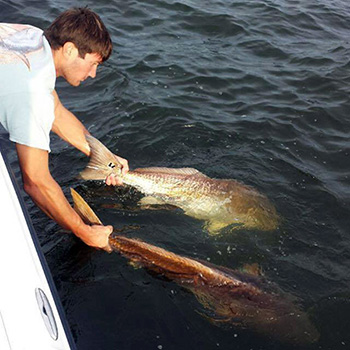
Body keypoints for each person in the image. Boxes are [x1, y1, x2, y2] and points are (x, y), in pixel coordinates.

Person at [0, 7, 128, 251]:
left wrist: (105, 158)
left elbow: (55, 111)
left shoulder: (31, 36)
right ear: (69, 49)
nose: (92, 74)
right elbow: (36, 182)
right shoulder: (32, 90)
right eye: (92, 64)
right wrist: (85, 232)